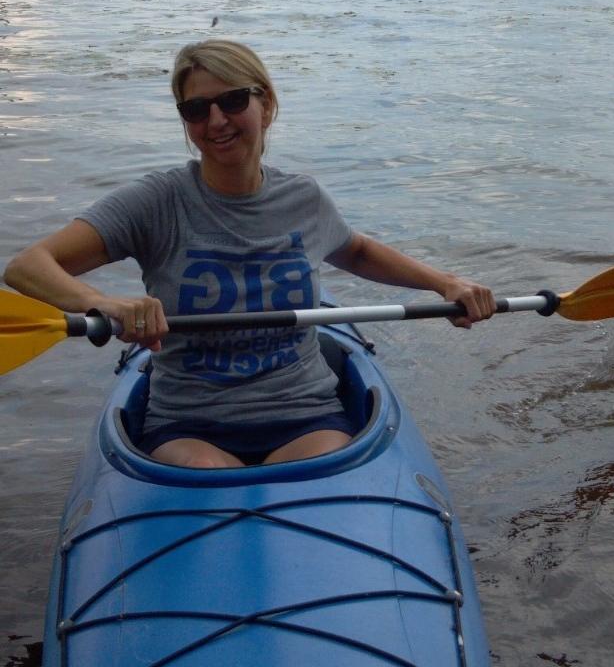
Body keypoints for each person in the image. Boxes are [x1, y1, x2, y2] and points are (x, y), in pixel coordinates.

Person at [3, 39, 495, 468]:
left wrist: (445, 283)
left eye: (232, 101)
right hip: (190, 422)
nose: (215, 121)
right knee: (206, 471)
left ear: (266, 103)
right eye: (196, 110)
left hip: (304, 411)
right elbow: (28, 266)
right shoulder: (157, 201)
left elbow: (358, 251)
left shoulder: (303, 198)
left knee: (320, 465)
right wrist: (102, 302)